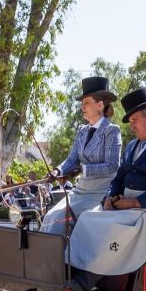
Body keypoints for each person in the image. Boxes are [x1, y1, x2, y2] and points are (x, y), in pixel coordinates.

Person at [67, 87, 146, 284]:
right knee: (88, 218)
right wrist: (109, 197)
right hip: (127, 206)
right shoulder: (133, 146)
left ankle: (89, 280)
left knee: (110, 227)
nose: (131, 126)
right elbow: (119, 177)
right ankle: (73, 269)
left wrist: (136, 202)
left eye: (134, 120)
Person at [42, 76, 122, 234]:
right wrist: (57, 171)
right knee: (50, 216)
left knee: (59, 222)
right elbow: (71, 159)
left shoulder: (112, 130)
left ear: (100, 105)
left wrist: (82, 170)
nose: (82, 107)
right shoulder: (82, 131)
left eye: (86, 103)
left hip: (98, 193)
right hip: (79, 191)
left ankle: (64, 257)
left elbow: (112, 166)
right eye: (82, 103)